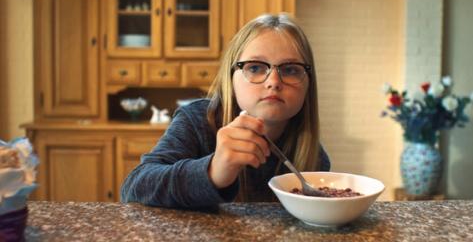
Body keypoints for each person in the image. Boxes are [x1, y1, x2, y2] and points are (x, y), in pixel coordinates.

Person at [121, 13, 330, 208]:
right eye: (255, 67)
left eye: (290, 70)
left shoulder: (313, 156)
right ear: (230, 78)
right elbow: (133, 189)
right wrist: (213, 170)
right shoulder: (197, 121)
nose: (273, 82)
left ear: (308, 84)